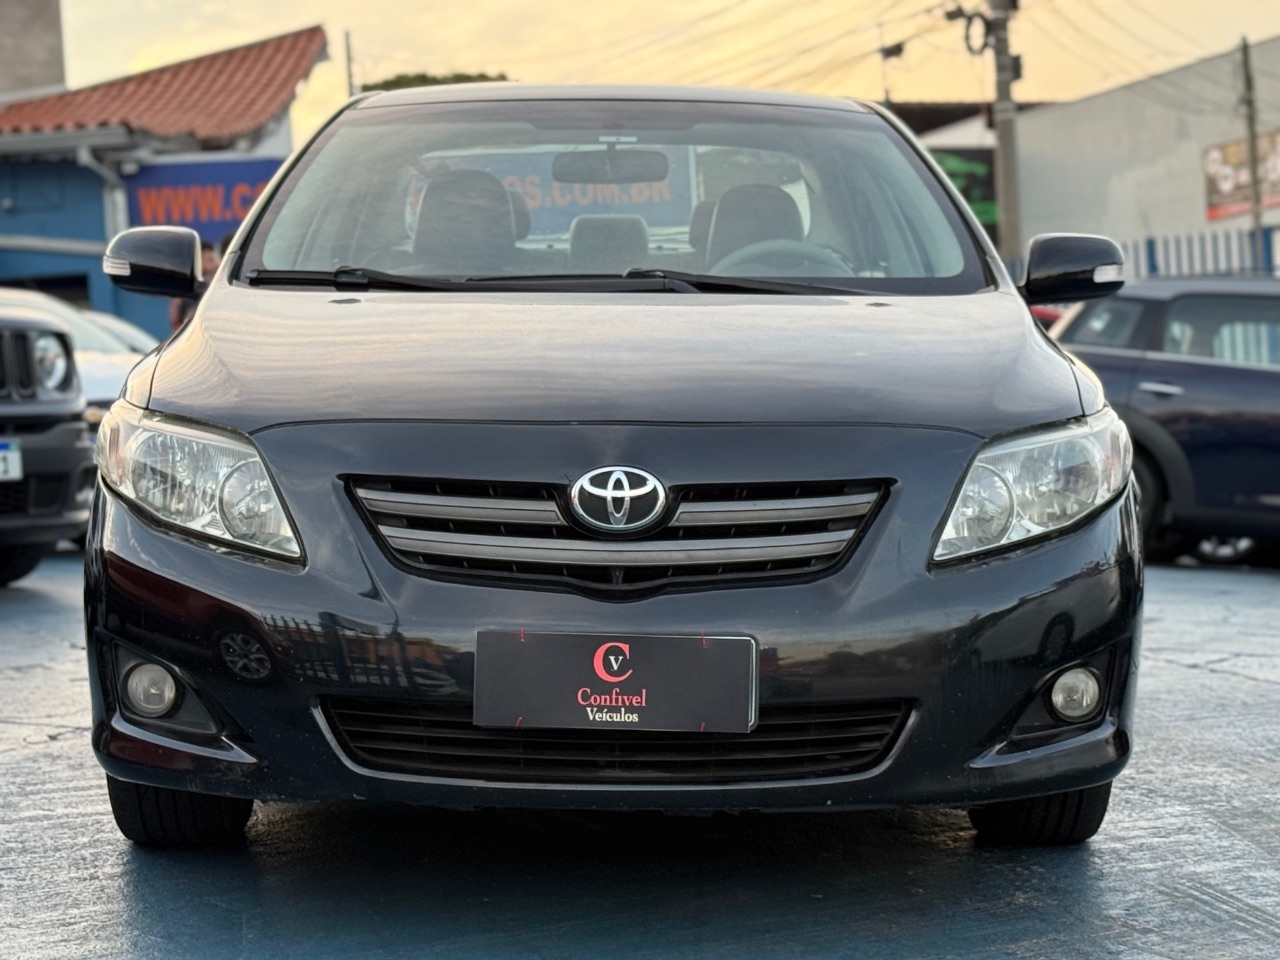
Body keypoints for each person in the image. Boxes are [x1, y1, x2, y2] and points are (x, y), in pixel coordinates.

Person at [168, 241, 220, 334]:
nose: (216, 265)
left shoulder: (187, 286)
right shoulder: (193, 290)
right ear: (198, 260)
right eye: (211, 260)